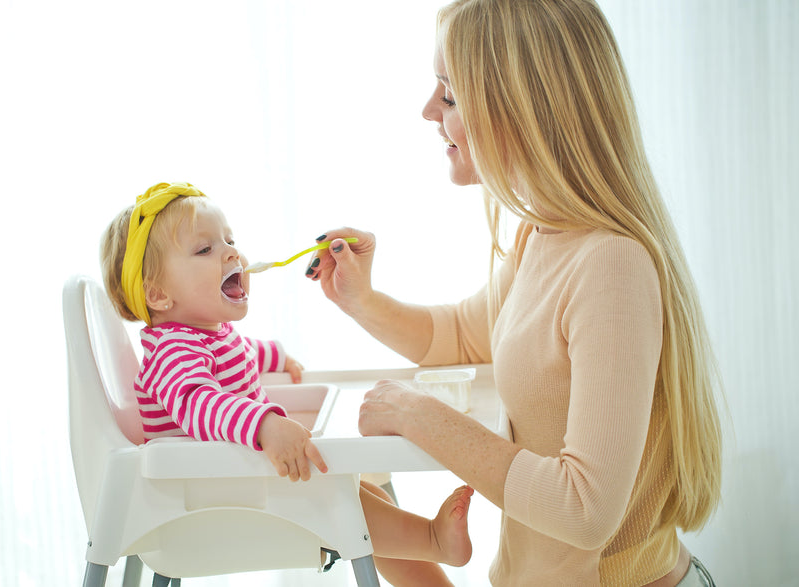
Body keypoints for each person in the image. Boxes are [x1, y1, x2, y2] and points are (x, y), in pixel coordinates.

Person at [305, 1, 722, 585]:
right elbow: (460, 334)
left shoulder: (610, 266)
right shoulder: (542, 234)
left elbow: (584, 510)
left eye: (448, 96)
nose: (427, 110)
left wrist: (420, 417)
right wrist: (360, 299)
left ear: (521, 112)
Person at [100, 181, 475, 585]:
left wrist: (276, 356)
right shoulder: (172, 352)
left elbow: (241, 353)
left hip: (236, 490)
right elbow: (199, 403)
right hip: (213, 510)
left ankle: (432, 558)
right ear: (157, 294)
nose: (230, 252)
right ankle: (432, 539)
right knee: (353, 506)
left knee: (366, 497)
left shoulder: (207, 336)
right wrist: (264, 425)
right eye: (204, 249)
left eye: (229, 240)